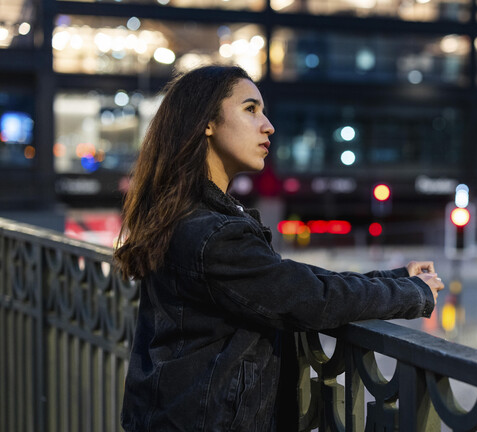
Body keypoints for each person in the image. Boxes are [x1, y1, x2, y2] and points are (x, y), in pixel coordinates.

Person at [113, 65, 444, 431]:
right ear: (206, 122)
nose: (268, 125)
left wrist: (394, 276)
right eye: (251, 109)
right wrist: (411, 293)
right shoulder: (211, 233)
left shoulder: (191, 216)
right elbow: (308, 297)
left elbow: (282, 279)